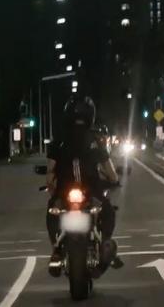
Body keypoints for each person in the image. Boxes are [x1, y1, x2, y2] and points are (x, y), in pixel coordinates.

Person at [45, 95, 119, 274]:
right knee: (108, 210)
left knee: (52, 213)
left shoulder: (59, 140)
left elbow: (50, 172)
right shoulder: (95, 139)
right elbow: (109, 169)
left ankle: (56, 249)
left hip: (64, 190)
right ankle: (106, 242)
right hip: (92, 189)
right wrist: (114, 180)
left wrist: (52, 188)